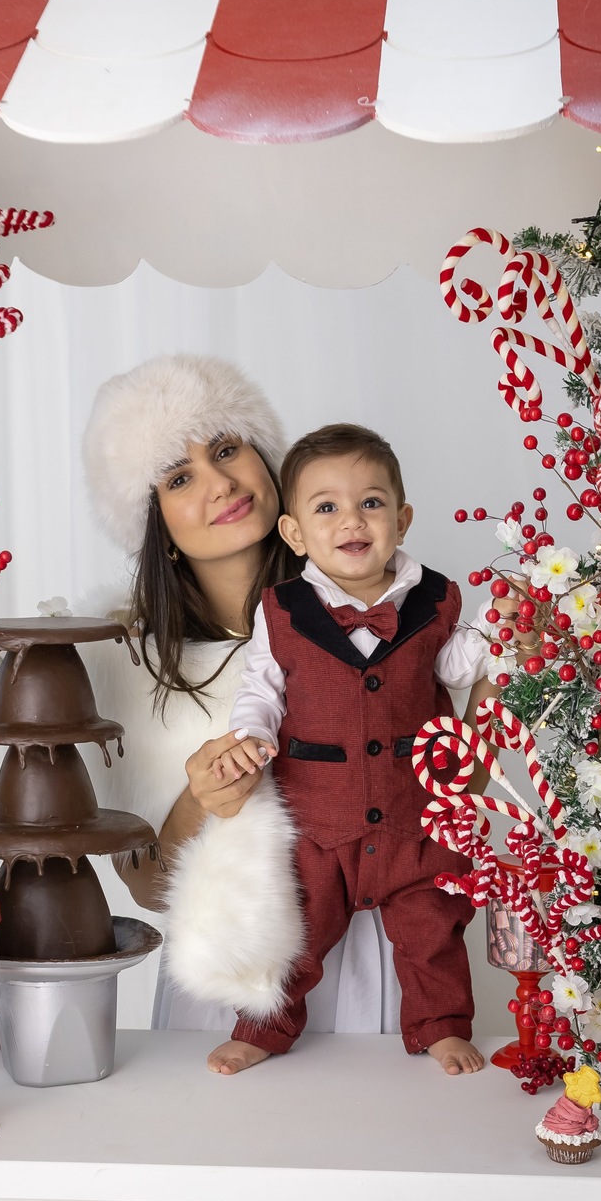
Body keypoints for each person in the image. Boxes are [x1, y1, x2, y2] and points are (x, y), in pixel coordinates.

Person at [80, 356, 400, 1069]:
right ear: (153, 521)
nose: (220, 482)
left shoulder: (378, 615)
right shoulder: (132, 666)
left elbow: (450, 788)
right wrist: (206, 797)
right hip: (229, 966)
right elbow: (148, 884)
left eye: (226, 449)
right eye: (180, 476)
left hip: (371, 950)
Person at [212, 422, 499, 1077]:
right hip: (320, 816)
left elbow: (455, 669)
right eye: (327, 507)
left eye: (371, 503)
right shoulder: (282, 610)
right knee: (295, 931)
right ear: (294, 532)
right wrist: (252, 736)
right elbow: (262, 684)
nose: (352, 520)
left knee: (433, 927)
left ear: (400, 519)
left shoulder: (437, 598)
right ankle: (263, 1027)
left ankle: (442, 1027)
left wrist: (492, 630)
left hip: (416, 812)